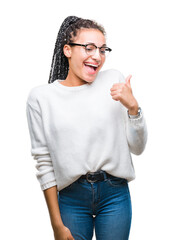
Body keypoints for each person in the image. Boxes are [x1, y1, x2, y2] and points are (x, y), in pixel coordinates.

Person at [26, 16, 147, 240]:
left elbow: (137, 148)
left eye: (102, 50)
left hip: (114, 194)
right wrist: (56, 226)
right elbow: (44, 163)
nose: (97, 56)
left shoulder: (114, 82)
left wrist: (133, 108)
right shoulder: (41, 98)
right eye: (89, 48)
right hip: (71, 198)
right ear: (67, 50)